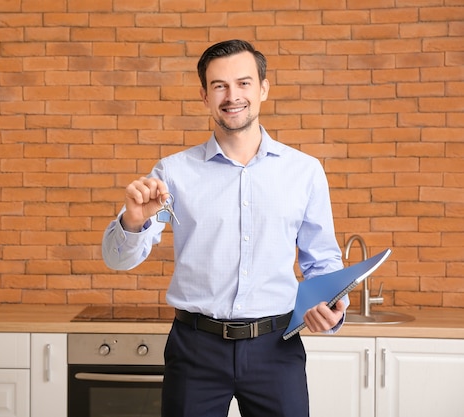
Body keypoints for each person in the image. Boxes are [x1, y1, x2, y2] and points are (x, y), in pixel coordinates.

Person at [102, 39, 348, 417]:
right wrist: (133, 221)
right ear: (204, 95)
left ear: (263, 88)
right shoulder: (173, 173)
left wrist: (332, 304)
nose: (232, 96)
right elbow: (118, 261)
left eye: (244, 83)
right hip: (195, 349)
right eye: (220, 86)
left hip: (276, 349)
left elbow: (322, 261)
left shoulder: (305, 172)